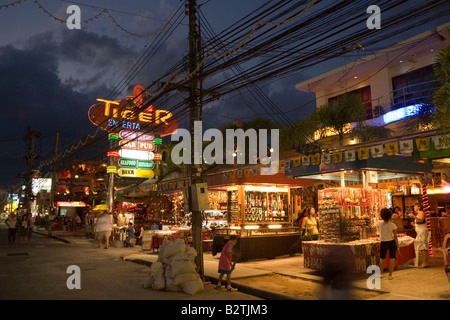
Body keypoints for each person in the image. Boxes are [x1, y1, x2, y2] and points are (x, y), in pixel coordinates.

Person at [377, 208, 399, 280]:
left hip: (383, 242)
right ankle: (390, 275)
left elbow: (378, 230)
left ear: (381, 215)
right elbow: (395, 237)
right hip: (391, 242)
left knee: (382, 258)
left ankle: (381, 273)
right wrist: (398, 246)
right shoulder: (393, 225)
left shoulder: (379, 223)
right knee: (392, 258)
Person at [408, 203, 430, 268]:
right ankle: (425, 262)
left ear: (418, 207)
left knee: (423, 247)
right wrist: (414, 225)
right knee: (422, 247)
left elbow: (421, 219)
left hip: (422, 232)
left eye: (415, 206)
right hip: (420, 232)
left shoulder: (421, 212)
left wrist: (413, 217)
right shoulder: (418, 214)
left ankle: (424, 263)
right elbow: (420, 223)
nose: (414, 207)